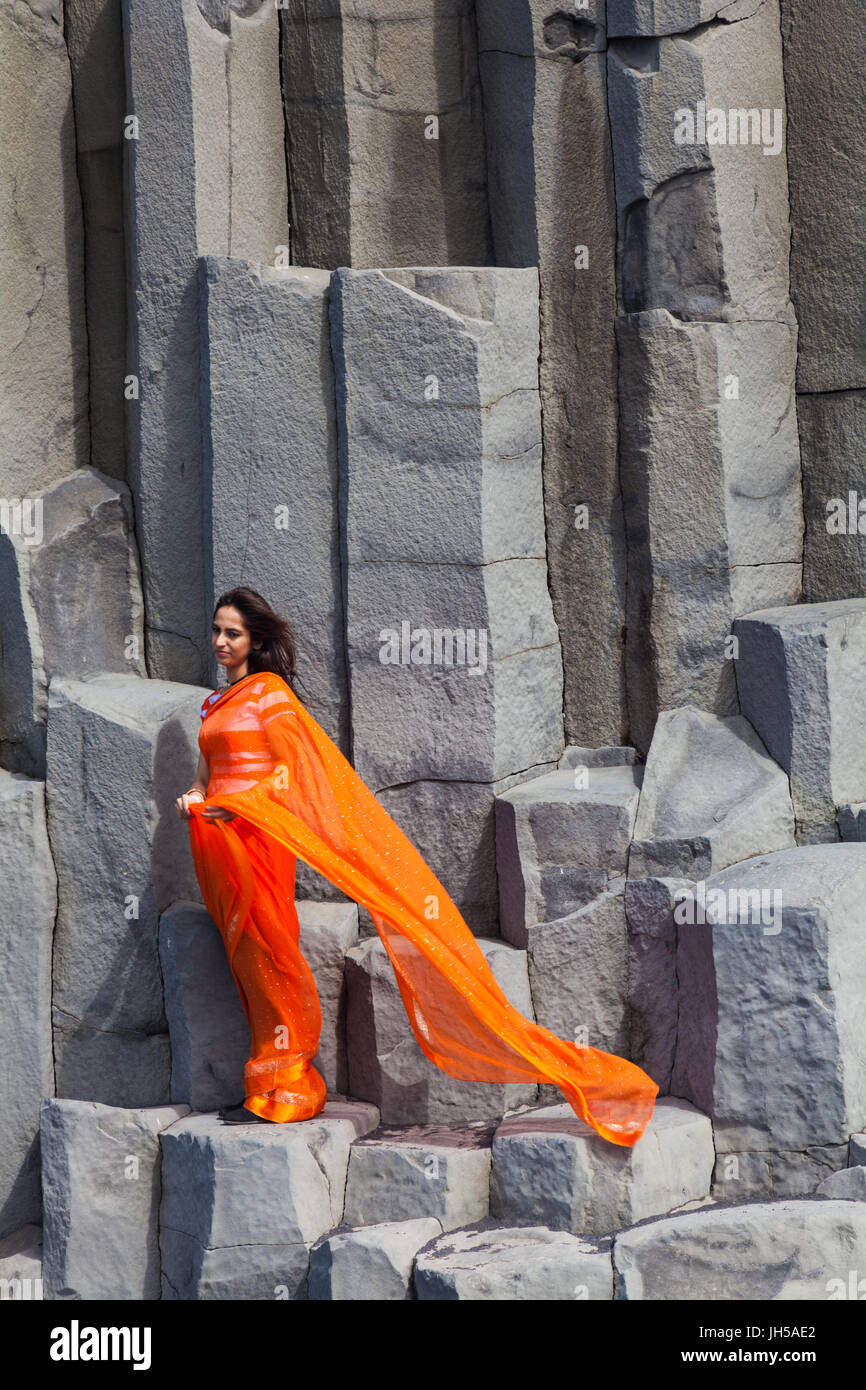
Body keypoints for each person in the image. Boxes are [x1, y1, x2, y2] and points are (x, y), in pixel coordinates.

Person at [176, 587, 658, 1144]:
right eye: (216, 630)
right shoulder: (215, 706)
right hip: (214, 846)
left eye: (232, 632)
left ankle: (289, 1087)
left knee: (272, 956)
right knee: (244, 961)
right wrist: (193, 798)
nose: (220, 641)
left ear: (255, 640)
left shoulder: (270, 696)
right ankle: (263, 1083)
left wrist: (233, 806)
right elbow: (204, 775)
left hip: (256, 839)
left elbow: (290, 777)